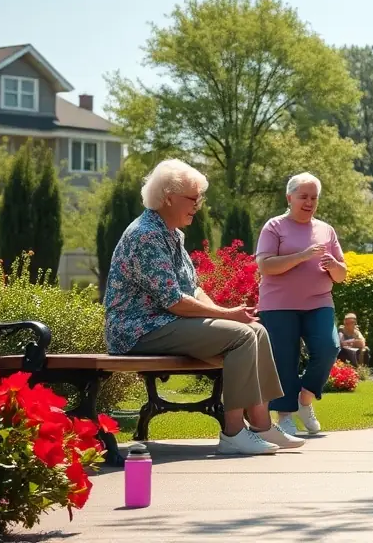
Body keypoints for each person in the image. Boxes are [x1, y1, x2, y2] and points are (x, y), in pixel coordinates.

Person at [104, 159, 300, 455]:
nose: (198, 205)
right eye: (193, 198)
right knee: (243, 336)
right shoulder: (145, 235)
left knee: (255, 329)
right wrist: (226, 316)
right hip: (138, 329)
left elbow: (192, 288)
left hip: (164, 322)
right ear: (168, 197)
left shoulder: (171, 233)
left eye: (199, 198)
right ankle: (233, 433)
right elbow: (174, 301)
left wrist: (231, 316)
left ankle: (261, 425)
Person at [256, 172, 347, 436]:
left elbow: (341, 275)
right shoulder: (274, 227)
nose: (309, 202)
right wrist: (302, 256)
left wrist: (334, 266)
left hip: (319, 302)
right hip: (278, 304)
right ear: (289, 197)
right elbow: (265, 265)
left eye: (314, 197)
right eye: (303, 196)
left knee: (329, 347)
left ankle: (304, 401)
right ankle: (284, 416)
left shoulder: (326, 230)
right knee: (285, 359)